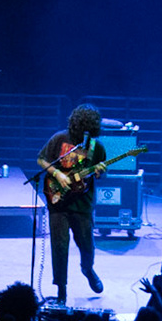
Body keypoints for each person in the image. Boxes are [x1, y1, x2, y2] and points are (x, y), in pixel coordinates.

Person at [37, 104, 108, 304]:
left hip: (82, 204)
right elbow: (41, 159)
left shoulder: (96, 147)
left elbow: (100, 175)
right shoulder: (59, 138)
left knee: (87, 245)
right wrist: (57, 174)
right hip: (57, 201)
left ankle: (88, 269)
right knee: (59, 246)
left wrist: (100, 172)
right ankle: (61, 291)